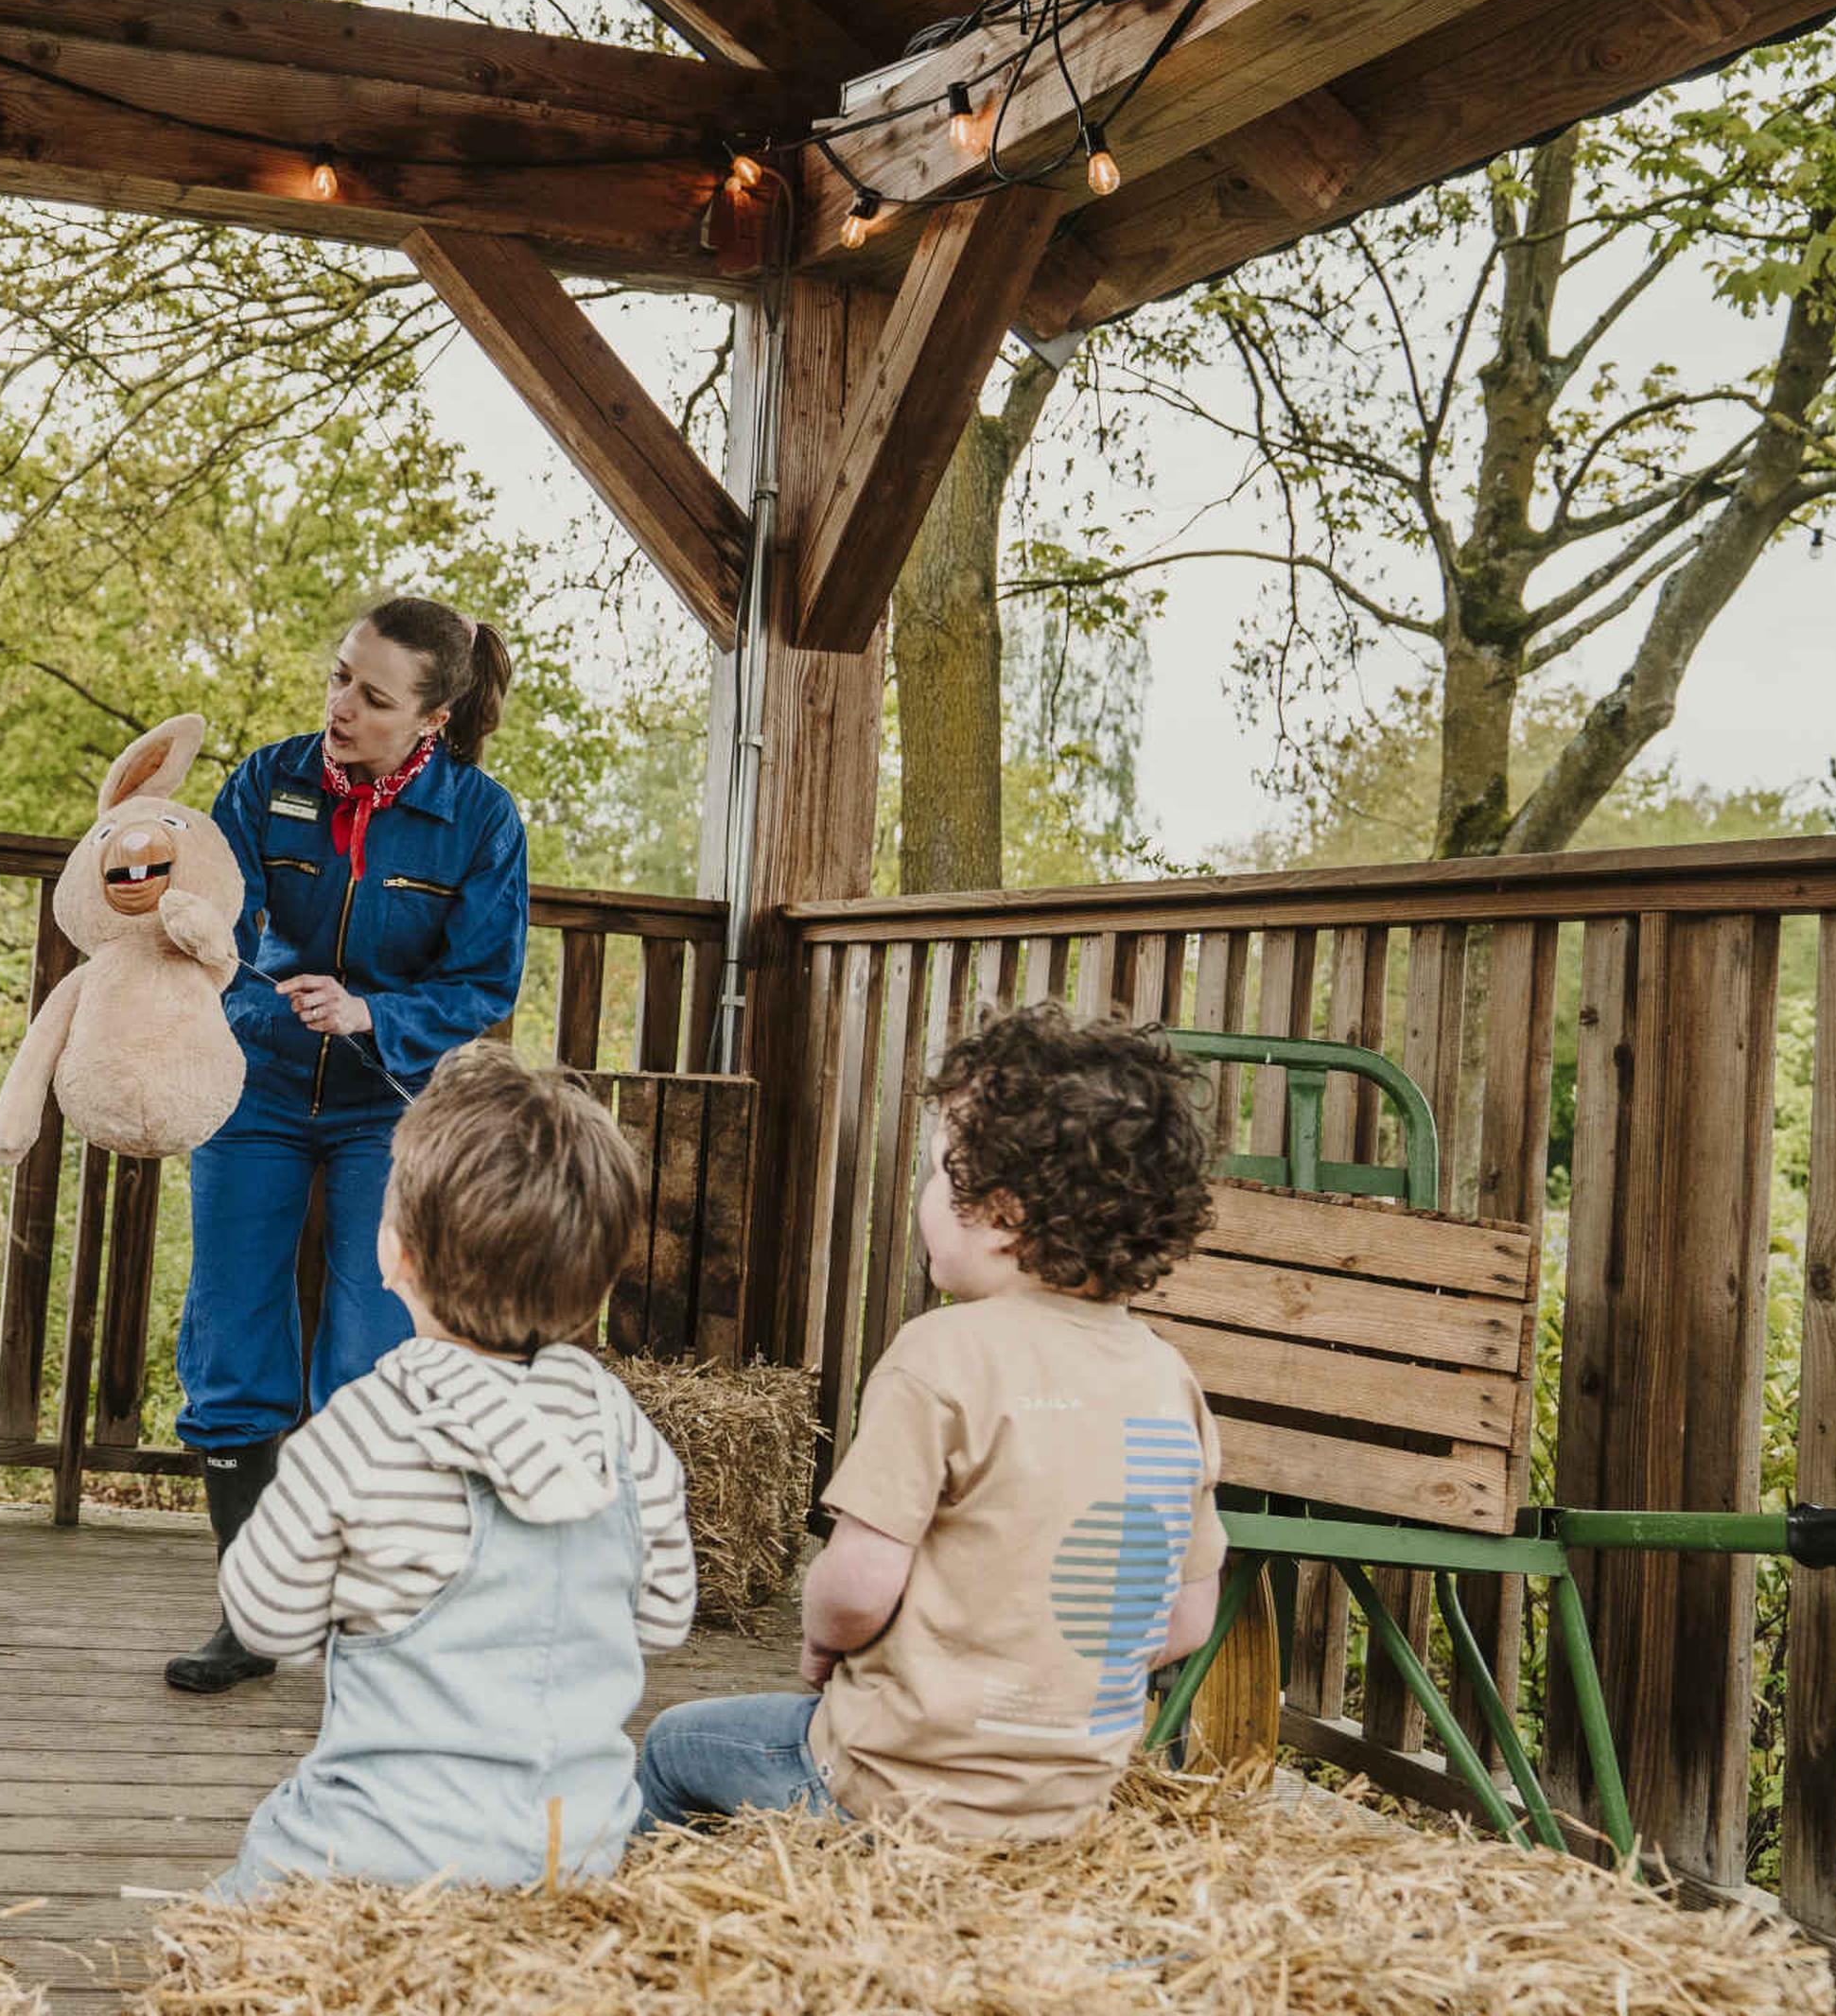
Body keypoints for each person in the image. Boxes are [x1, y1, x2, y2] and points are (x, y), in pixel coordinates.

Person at [637, 1005, 1225, 1840]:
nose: (924, 1193)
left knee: (672, 1744)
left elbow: (857, 1588)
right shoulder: (1171, 1381)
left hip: (889, 1786)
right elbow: (1184, 1621)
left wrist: (819, 1643)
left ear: (1004, 1213)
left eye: (940, 1170)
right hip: (1065, 1811)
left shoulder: (941, 1356)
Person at [212, 1046, 691, 1896]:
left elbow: (265, 1623)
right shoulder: (623, 1433)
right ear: (597, 1283)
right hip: (571, 1854)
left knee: (219, 1921)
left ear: (395, 1255)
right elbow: (663, 1621)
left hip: (376, 1860)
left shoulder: (361, 1427)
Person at [170, 595, 528, 1694]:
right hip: (256, 1087)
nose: (341, 707)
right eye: (338, 678)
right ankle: (253, 1615)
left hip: (389, 1103)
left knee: (371, 1362)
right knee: (231, 1344)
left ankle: (370, 1632)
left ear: (433, 715)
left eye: (372, 696)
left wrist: (374, 1013)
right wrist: (242, 988)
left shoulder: (481, 821)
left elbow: (482, 984)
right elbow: (209, 930)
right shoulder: (264, 782)